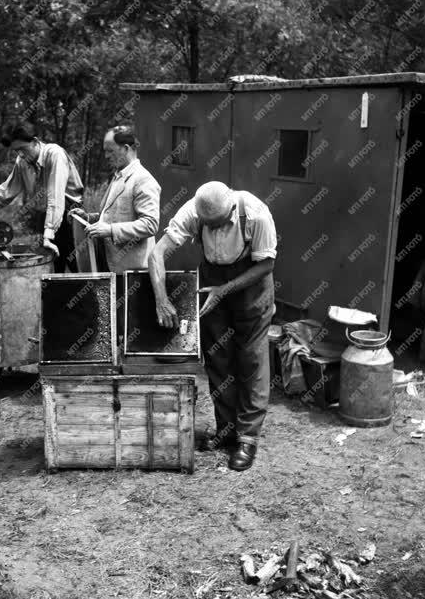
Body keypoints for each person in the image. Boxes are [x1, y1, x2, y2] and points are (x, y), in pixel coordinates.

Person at [148, 181, 277, 471]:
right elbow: (156, 254)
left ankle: (247, 438)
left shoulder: (256, 214)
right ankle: (226, 428)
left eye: (218, 225)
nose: (213, 230)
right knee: (217, 357)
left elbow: (266, 264)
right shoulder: (194, 211)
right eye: (208, 226)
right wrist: (160, 299)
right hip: (211, 282)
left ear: (231, 208)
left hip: (250, 284)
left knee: (251, 360)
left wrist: (226, 289)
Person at [69, 125, 161, 333]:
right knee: (114, 325)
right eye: (105, 151)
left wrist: (110, 230)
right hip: (113, 266)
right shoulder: (119, 175)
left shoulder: (143, 180)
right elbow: (111, 214)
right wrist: (89, 218)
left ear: (126, 148)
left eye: (110, 151)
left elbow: (151, 224)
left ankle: (126, 364)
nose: (106, 156)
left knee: (128, 328)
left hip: (131, 271)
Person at [0, 121, 84, 272]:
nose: (20, 154)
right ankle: (59, 294)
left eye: (22, 149)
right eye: (16, 151)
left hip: (70, 213)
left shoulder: (54, 154)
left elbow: (56, 197)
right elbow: (5, 191)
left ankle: (90, 294)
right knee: (53, 268)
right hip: (48, 215)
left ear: (35, 142)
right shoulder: (23, 162)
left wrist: (48, 235)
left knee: (77, 267)